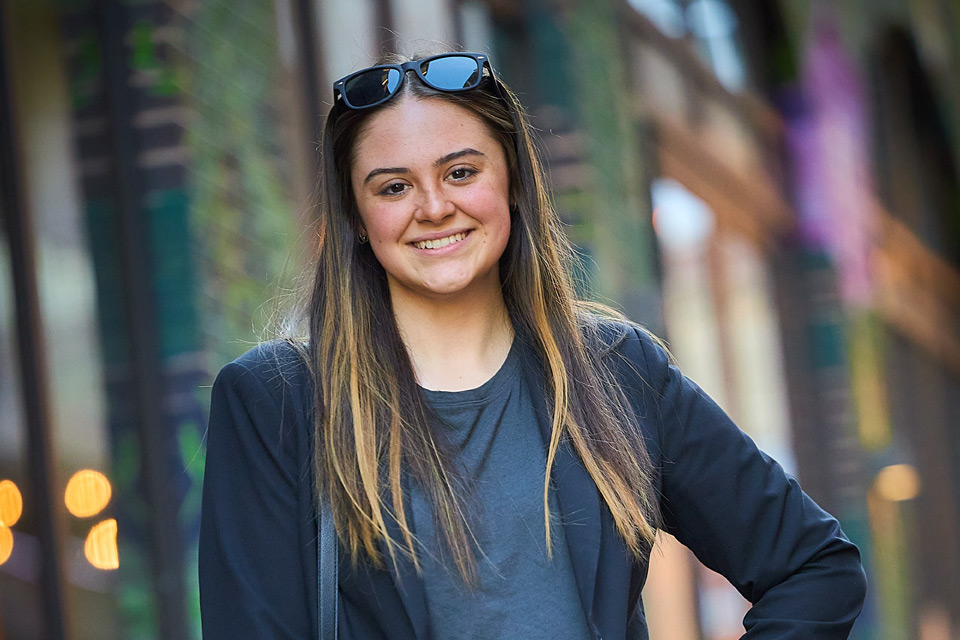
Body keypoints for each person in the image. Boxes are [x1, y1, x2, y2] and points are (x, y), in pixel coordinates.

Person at [198, 50, 867, 639]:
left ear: (513, 182)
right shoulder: (277, 401)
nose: (433, 206)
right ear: (356, 214)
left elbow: (813, 567)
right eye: (394, 186)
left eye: (461, 172)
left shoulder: (617, 371)